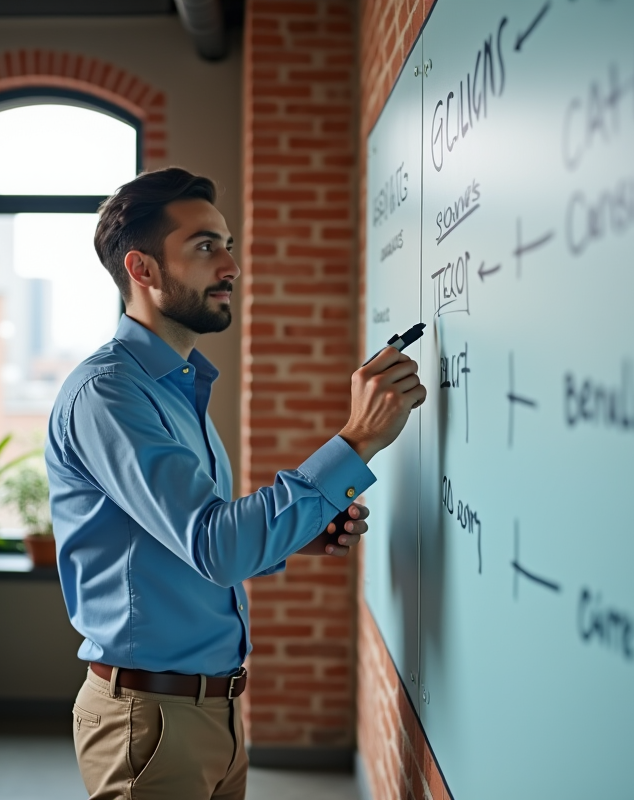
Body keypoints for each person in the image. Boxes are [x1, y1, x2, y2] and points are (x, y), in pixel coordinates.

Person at [45, 167, 426, 800]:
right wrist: (357, 439)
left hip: (214, 712)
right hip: (151, 721)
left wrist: (294, 535)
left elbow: (192, 542)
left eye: (227, 244)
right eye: (204, 247)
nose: (231, 265)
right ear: (141, 270)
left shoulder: (179, 386)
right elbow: (215, 545)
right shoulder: (109, 394)